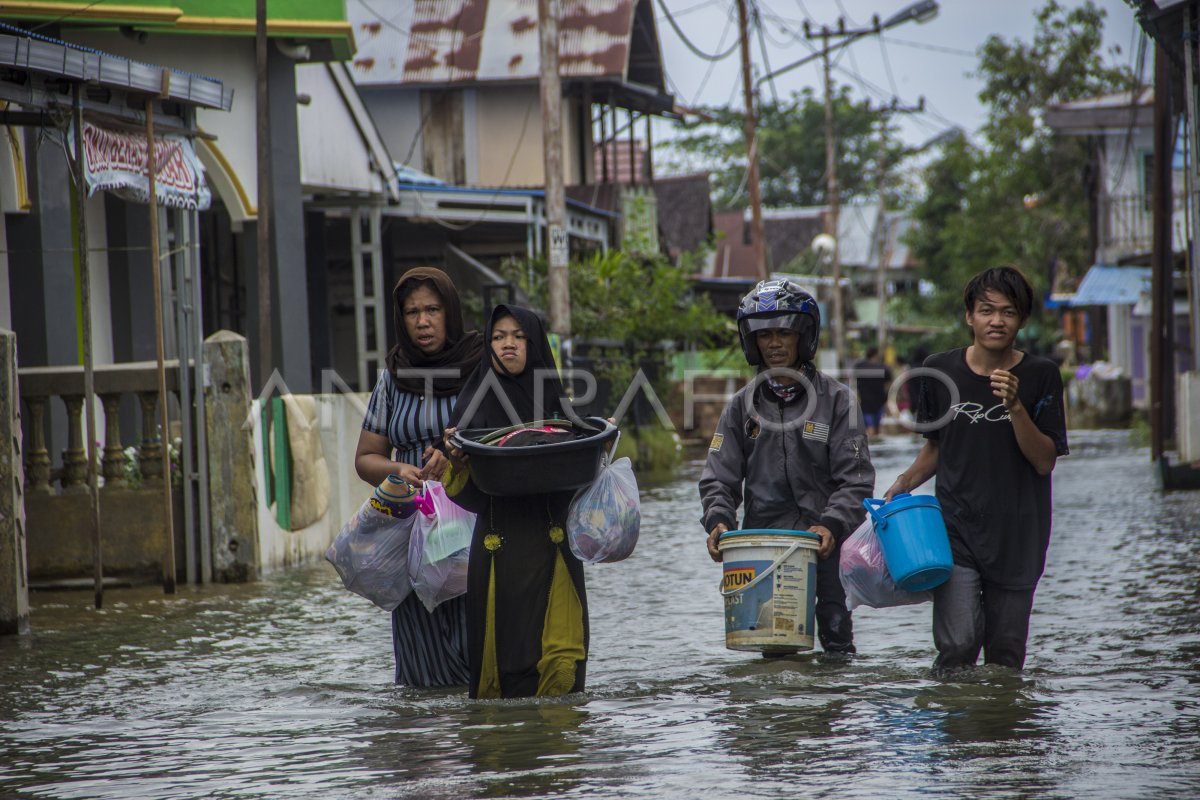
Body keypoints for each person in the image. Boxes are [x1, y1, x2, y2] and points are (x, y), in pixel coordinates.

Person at [884, 265, 1068, 671]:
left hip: (1020, 533)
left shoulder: (1041, 376)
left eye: (1008, 312)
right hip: (955, 530)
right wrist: (903, 484)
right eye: (987, 310)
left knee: (1005, 657)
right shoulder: (938, 370)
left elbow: (1044, 460)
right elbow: (937, 448)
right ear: (969, 315)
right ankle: (957, 729)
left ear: (1022, 319)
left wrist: (1016, 406)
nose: (996, 321)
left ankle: (1000, 732)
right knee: (957, 646)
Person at [699, 279, 874, 655]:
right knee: (774, 652)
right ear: (752, 341)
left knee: (837, 645)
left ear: (803, 337)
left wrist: (830, 524)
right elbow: (718, 477)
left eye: (784, 333)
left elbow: (856, 480)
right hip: (766, 547)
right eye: (764, 335)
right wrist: (719, 521)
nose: (774, 343)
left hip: (827, 543)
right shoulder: (740, 407)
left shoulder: (839, 401)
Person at [442, 305, 589, 698]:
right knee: (500, 677)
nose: (508, 343)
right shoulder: (471, 411)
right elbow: (468, 497)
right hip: (497, 552)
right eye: (498, 336)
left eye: (518, 336)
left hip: (553, 548)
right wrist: (457, 462)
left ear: (534, 343)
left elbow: (580, 479)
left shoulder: (560, 408)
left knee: (563, 665)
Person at [354, 266, 482, 688]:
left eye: (432, 310)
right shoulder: (392, 378)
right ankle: (421, 747)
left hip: (470, 523)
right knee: (419, 661)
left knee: (474, 640)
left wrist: (457, 456)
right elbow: (366, 458)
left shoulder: (481, 370)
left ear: (451, 313)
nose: (423, 322)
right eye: (412, 313)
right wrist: (399, 470)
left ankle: (474, 743)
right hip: (412, 530)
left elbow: (506, 440)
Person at [853, 346, 893, 437]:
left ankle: (870, 448)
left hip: (865, 402)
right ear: (876, 354)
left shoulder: (859, 366)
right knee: (878, 428)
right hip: (879, 402)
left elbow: (855, 381)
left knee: (869, 428)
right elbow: (889, 384)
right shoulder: (884, 368)